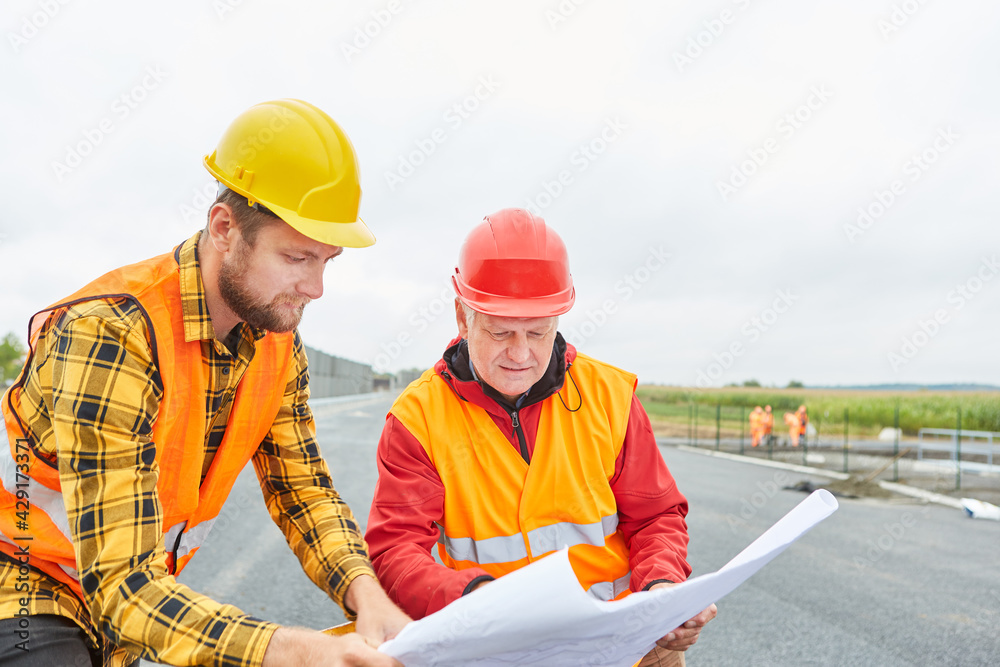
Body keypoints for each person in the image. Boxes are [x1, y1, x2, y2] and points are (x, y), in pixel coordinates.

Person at [0, 99, 408, 667]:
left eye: (327, 261)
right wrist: (292, 651)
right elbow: (122, 584)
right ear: (224, 229)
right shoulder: (112, 333)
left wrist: (367, 594)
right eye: (296, 257)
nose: (315, 288)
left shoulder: (277, 344)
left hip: (125, 610)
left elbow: (303, 492)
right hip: (22, 586)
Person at [365, 209, 716, 667]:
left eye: (538, 331)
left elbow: (656, 516)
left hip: (629, 652)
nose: (520, 353)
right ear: (461, 316)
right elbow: (396, 551)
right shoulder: (418, 418)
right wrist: (478, 602)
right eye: (500, 331)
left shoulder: (609, 396)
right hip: (495, 651)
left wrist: (662, 588)